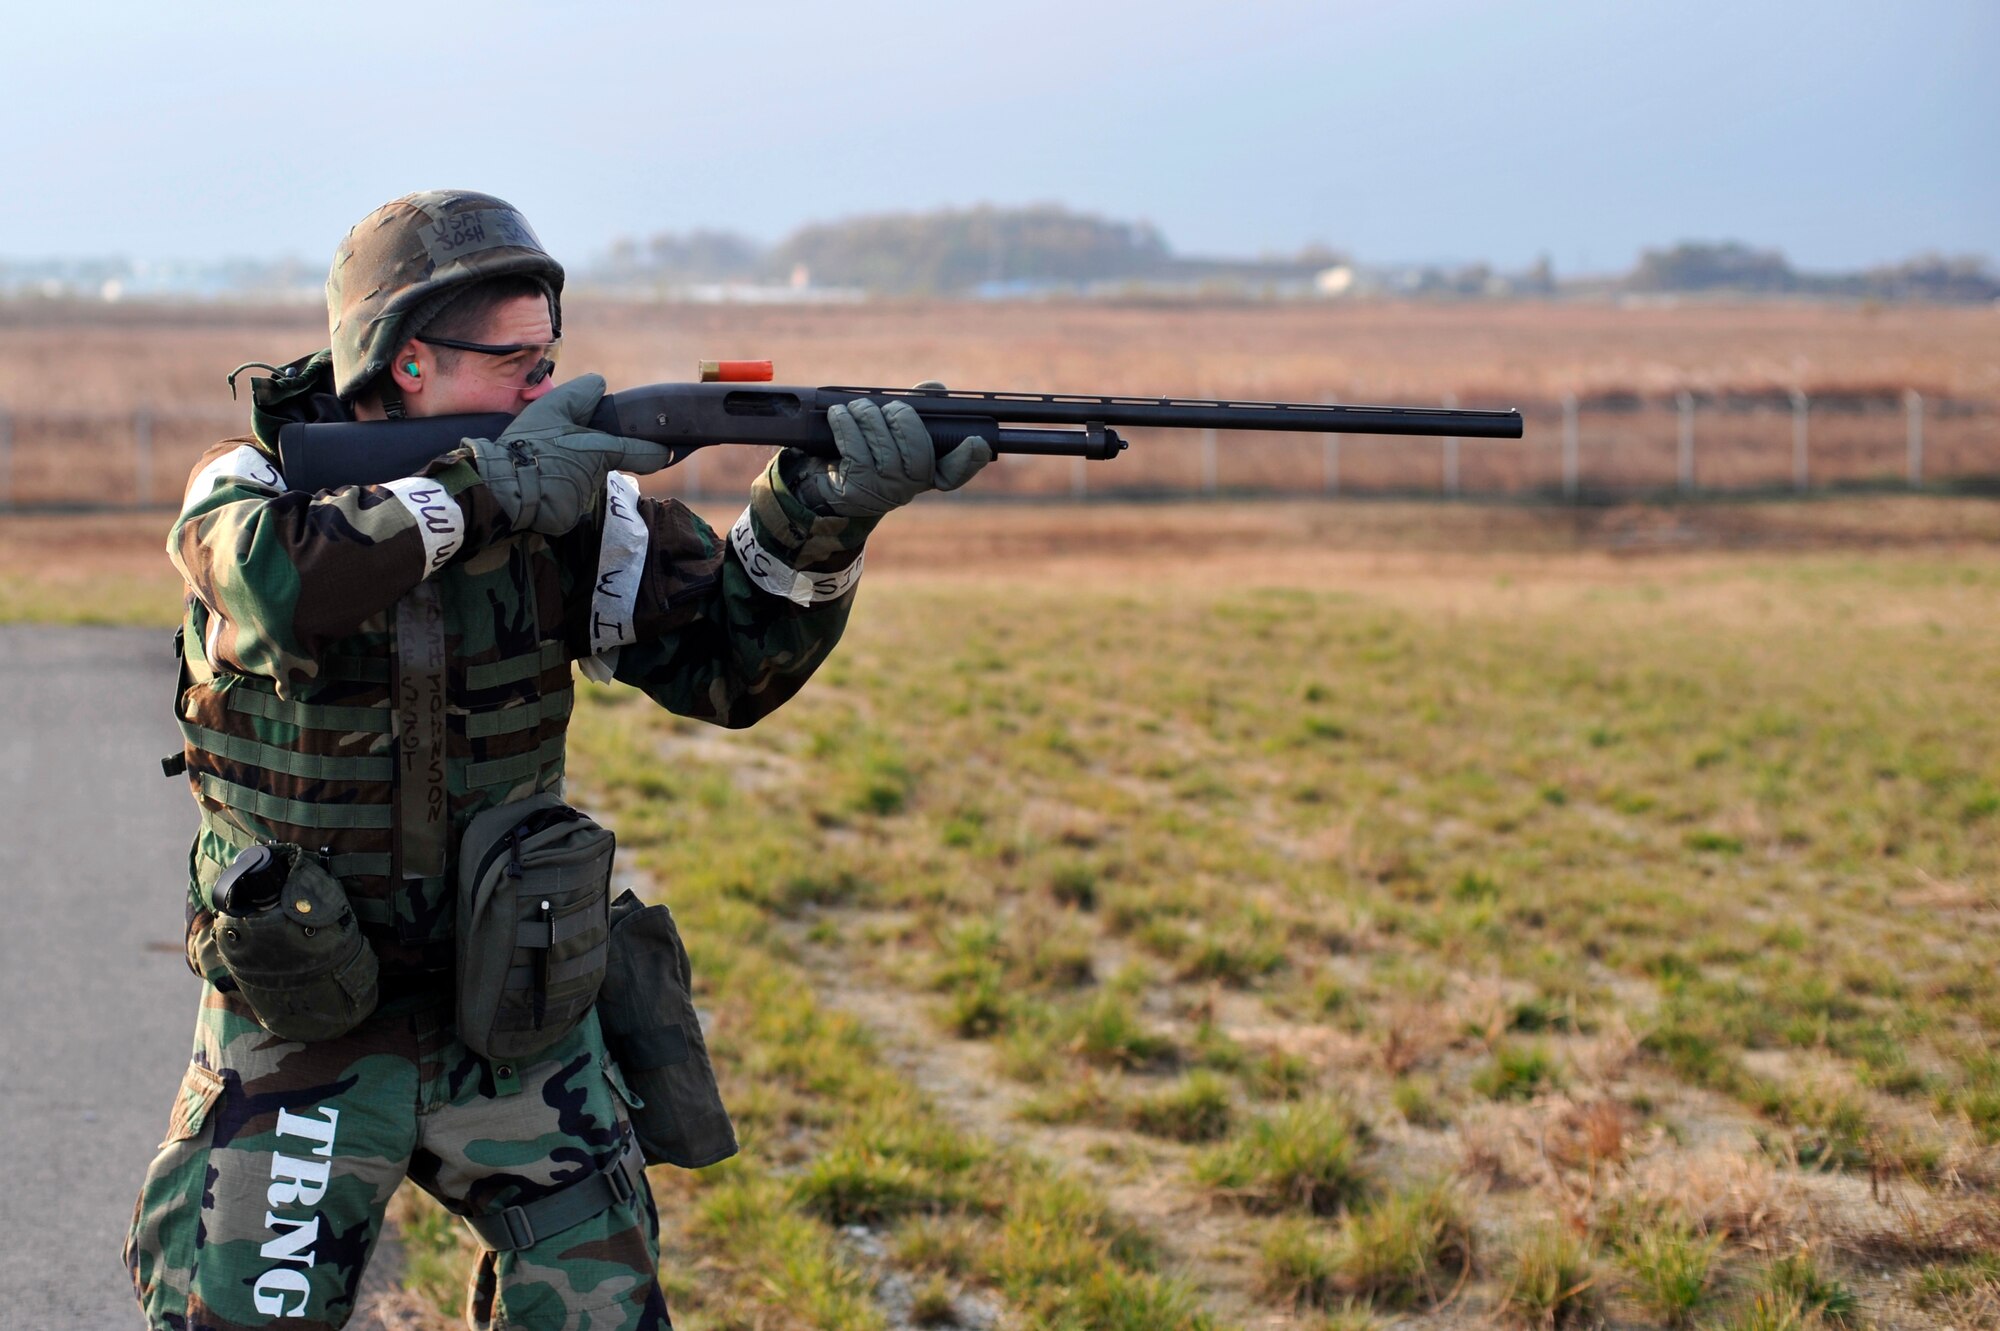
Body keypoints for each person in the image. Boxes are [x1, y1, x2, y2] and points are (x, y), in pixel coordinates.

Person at [125, 189, 990, 1331]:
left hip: (518, 1006)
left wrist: (818, 519)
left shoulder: (577, 514)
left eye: (550, 358)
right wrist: (480, 492)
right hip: (306, 1017)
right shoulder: (252, 485)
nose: (546, 389)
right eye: (514, 362)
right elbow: (275, 582)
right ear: (407, 361)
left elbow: (730, 666)